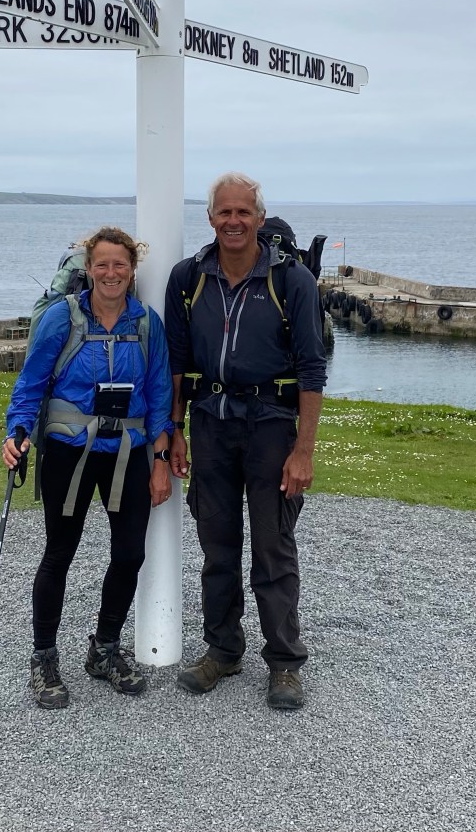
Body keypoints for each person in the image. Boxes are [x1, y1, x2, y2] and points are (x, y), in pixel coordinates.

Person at [164, 173, 326, 710]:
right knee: (217, 545)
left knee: (273, 546)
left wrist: (303, 451)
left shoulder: (292, 280)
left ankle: (284, 663)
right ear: (210, 217)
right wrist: (175, 430)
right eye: (224, 212)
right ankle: (223, 650)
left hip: (271, 426)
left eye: (243, 212)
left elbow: (312, 368)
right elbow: (177, 363)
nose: (233, 221)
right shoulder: (188, 278)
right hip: (210, 423)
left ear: (258, 217)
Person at [2, 226, 173, 710]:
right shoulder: (63, 318)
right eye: (103, 264)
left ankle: (104, 649)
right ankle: (44, 657)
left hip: (128, 452)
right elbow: (31, 382)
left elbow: (159, 392)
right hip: (69, 452)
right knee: (60, 553)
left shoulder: (146, 324)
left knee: (129, 554)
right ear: (89, 268)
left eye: (120, 264)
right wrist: (16, 431)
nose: (111, 273)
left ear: (132, 270)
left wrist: (161, 459)